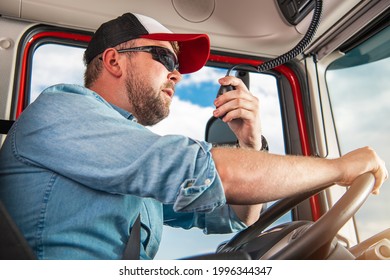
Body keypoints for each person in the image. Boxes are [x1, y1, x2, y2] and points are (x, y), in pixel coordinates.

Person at [0, 13, 387, 260]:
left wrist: (250, 144)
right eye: (165, 59)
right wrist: (339, 168)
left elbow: (233, 220)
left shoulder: (125, 155)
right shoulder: (63, 111)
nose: (177, 75)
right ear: (114, 60)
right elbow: (219, 175)